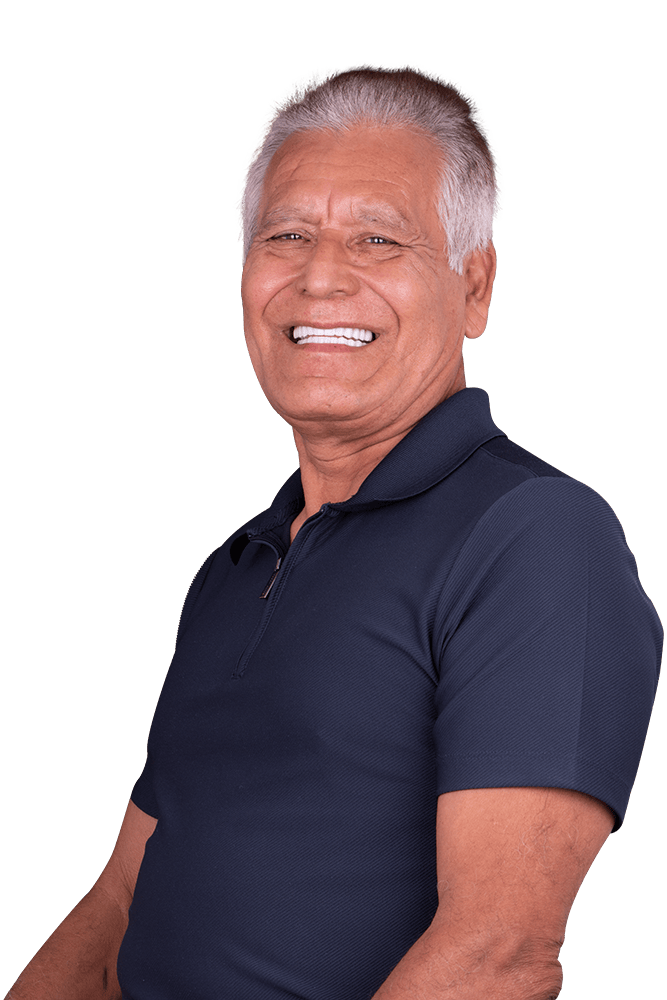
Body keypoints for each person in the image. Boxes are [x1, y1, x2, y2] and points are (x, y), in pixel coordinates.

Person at [8, 62, 662, 1000]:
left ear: (472, 286)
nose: (319, 277)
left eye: (375, 239)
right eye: (285, 235)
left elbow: (497, 955)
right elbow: (120, 904)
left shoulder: (535, 536)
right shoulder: (235, 565)